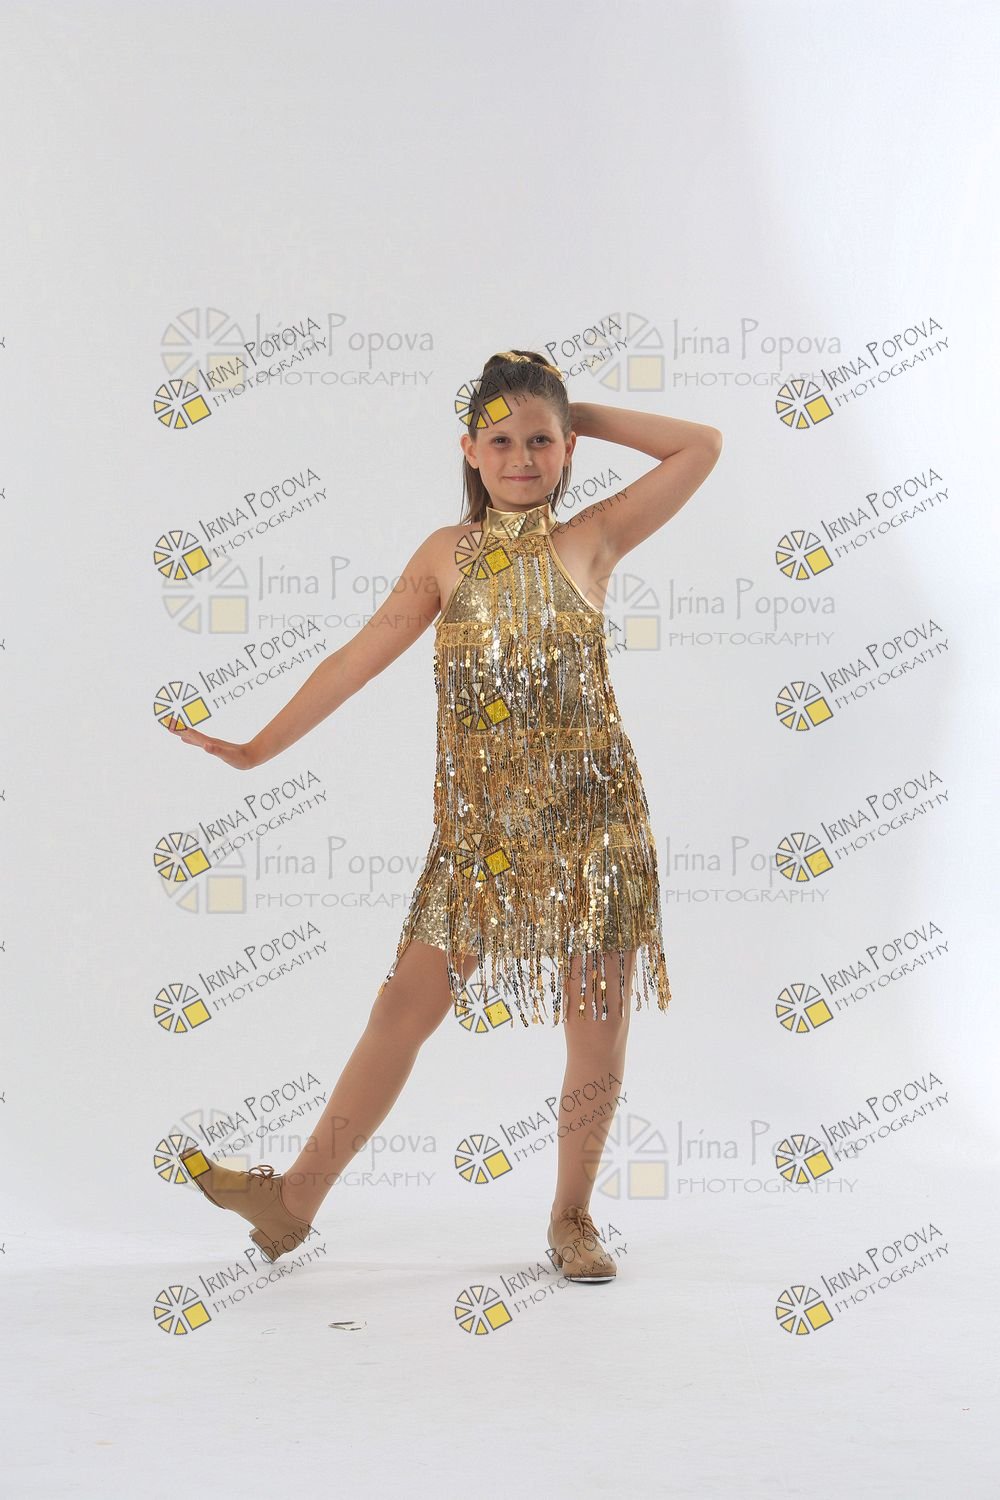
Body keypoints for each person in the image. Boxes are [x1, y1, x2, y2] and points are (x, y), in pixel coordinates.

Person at [169, 350, 723, 1282]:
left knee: (594, 1024)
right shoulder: (445, 556)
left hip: (593, 827)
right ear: (469, 451)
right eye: (499, 441)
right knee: (404, 1006)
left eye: (540, 441)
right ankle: (291, 1202)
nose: (521, 458)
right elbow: (355, 659)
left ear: (567, 450)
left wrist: (575, 410)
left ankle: (573, 1219)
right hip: (482, 839)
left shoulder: (592, 537)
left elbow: (701, 445)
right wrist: (260, 748)